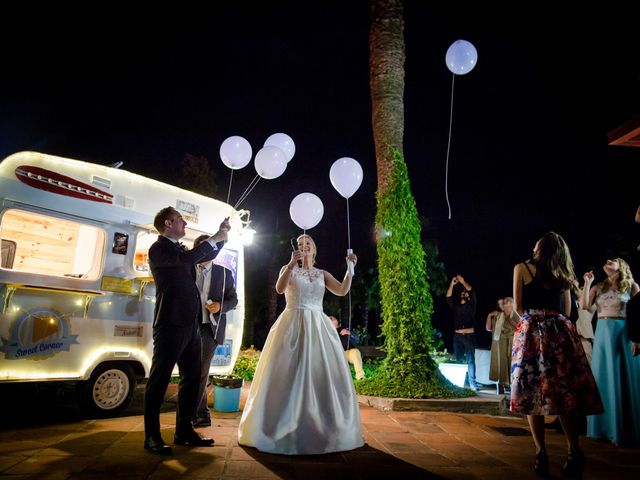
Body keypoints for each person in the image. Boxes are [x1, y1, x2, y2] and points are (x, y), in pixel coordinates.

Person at [238, 234, 364, 455]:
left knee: (318, 372)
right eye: (300, 245)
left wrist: (350, 268)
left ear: (314, 249)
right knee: (288, 372)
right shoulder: (288, 270)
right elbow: (279, 289)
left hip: (318, 325)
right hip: (291, 324)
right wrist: (289, 265)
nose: (303, 247)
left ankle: (323, 428)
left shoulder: (321, 274)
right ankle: (279, 425)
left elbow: (342, 290)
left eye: (308, 244)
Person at [511, 232, 603, 478]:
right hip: (558, 334)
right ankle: (574, 450)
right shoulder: (562, 274)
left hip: (531, 333)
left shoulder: (521, 268)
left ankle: (541, 452)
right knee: (563, 394)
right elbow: (566, 311)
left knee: (532, 394)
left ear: (539, 247)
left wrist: (533, 322)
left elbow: (518, 307)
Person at [143, 207, 229, 455]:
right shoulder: (159, 249)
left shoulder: (182, 251)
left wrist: (221, 237)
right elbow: (189, 259)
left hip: (191, 325)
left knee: (193, 379)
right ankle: (151, 436)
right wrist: (213, 238)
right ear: (168, 223)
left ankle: (184, 431)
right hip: (170, 323)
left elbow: (201, 258)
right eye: (181, 219)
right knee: (159, 380)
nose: (185, 223)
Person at [581, 258, 640, 446]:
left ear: (622, 266)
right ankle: (603, 429)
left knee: (623, 378)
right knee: (604, 378)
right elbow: (584, 306)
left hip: (623, 334)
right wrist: (587, 283)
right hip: (603, 334)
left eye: (613, 260)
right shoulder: (598, 287)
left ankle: (626, 430)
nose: (607, 261)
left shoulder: (632, 286)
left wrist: (638, 338)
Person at [191, 234, 238, 428]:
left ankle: (200, 413)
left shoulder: (224, 273)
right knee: (190, 372)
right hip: (187, 326)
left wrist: (220, 306)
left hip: (209, 327)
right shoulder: (187, 269)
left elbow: (233, 300)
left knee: (201, 372)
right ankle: (196, 412)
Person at [446, 275, 478, 390]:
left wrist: (463, 281)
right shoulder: (456, 307)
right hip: (458, 336)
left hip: (469, 335)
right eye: (463, 292)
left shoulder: (472, 305)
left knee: (470, 359)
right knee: (458, 358)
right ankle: (460, 383)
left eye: (466, 292)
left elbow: (472, 291)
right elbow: (448, 297)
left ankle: (473, 384)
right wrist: (452, 284)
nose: (464, 292)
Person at [487, 297, 517, 395]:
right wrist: (489, 315)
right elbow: (489, 328)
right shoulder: (497, 316)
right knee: (500, 365)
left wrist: (509, 319)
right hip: (499, 344)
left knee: (511, 365)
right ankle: (500, 387)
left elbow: (520, 327)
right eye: (501, 304)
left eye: (504, 303)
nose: (502, 305)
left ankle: (513, 388)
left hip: (512, 343)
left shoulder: (514, 314)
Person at [330, 316, 365, 380]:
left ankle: (360, 377)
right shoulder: (327, 332)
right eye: (329, 319)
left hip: (349, 354)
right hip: (337, 355)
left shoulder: (344, 329)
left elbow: (357, 338)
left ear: (337, 321)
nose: (330, 319)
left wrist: (348, 332)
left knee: (355, 351)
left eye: (332, 318)